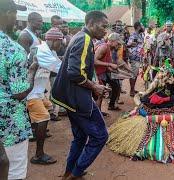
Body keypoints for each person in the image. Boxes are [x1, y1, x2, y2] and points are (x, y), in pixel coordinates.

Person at [51, 11, 110, 180]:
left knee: (80, 136)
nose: (105, 30)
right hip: (77, 98)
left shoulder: (79, 36)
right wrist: (94, 87)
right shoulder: (84, 39)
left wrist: (93, 86)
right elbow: (75, 73)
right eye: (103, 26)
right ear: (91, 23)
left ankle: (69, 171)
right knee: (100, 136)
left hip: (70, 97)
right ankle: (75, 173)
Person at [0, 0, 39, 179]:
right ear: (7, 13)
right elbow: (19, 93)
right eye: (14, 13)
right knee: (14, 168)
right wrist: (31, 71)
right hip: (10, 122)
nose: (16, 18)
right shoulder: (12, 49)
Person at [27, 28, 65, 165]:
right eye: (60, 42)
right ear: (54, 40)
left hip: (37, 91)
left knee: (48, 107)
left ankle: (34, 132)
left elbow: (57, 60)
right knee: (44, 117)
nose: (61, 46)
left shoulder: (49, 50)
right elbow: (60, 68)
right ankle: (38, 155)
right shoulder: (43, 52)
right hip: (30, 93)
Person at [94, 33, 122, 111]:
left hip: (103, 72)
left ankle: (111, 105)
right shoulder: (103, 47)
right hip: (97, 74)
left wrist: (113, 69)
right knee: (100, 94)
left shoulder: (109, 49)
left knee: (116, 86)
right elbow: (94, 61)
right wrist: (110, 64)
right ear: (112, 41)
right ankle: (98, 113)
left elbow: (104, 64)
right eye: (118, 43)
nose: (118, 45)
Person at [127, 22, 144, 97]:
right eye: (142, 25)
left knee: (135, 74)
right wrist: (132, 44)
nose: (143, 27)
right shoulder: (133, 35)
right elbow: (128, 44)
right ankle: (131, 91)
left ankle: (133, 89)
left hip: (138, 57)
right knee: (133, 74)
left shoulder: (140, 35)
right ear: (138, 27)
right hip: (134, 57)